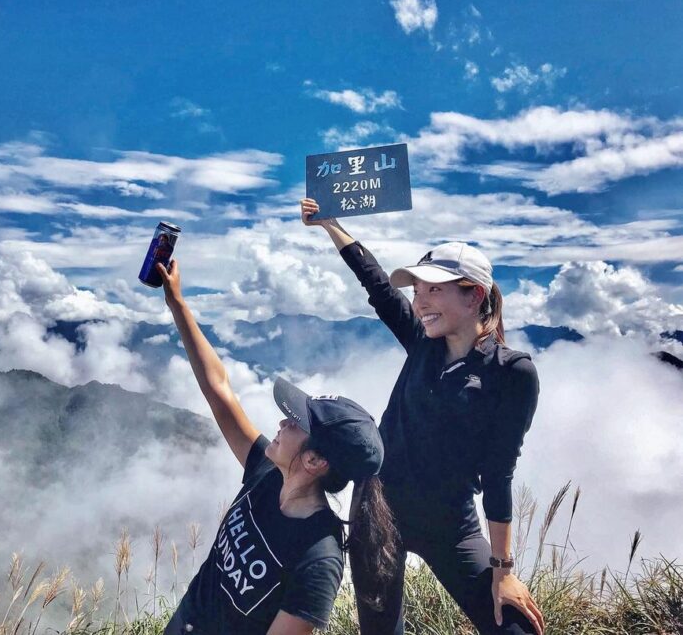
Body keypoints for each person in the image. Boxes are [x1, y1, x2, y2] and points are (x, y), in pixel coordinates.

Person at [300, 198, 545, 635]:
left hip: (451, 523)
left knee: (514, 628)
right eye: (417, 292)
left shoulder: (512, 373)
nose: (419, 303)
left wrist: (503, 571)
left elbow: (499, 472)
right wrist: (331, 225)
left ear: (475, 296)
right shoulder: (422, 343)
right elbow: (377, 285)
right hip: (377, 510)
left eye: (433, 290)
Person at [155, 258, 399, 635]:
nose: (283, 423)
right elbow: (218, 391)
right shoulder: (267, 474)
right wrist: (178, 304)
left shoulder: (318, 557)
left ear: (315, 461)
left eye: (296, 423)